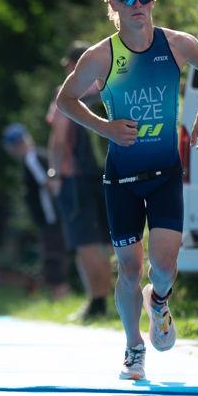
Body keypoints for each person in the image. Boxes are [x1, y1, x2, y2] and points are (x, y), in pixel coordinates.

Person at [56, 0, 198, 380]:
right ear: (113, 4)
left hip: (165, 174)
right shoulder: (101, 56)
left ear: (153, 0)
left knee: (163, 267)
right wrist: (105, 127)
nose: (137, 4)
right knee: (129, 268)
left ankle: (158, 302)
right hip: (122, 180)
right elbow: (65, 100)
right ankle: (133, 347)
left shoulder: (176, 44)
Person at [47, 43, 113, 321]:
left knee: (85, 242)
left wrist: (54, 173)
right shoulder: (108, 88)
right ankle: (109, 302)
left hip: (75, 180)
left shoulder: (67, 92)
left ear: (75, 64)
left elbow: (59, 139)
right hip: (108, 176)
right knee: (107, 242)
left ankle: (96, 303)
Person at [1, 124, 70, 299]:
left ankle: (59, 295)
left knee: (53, 254)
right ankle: (59, 294)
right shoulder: (38, 155)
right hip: (52, 215)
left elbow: (49, 184)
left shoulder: (31, 159)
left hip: (50, 215)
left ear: (14, 146)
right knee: (55, 253)